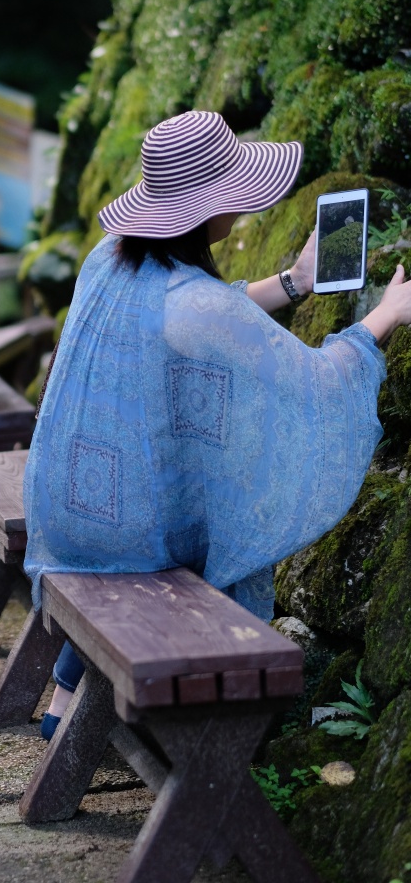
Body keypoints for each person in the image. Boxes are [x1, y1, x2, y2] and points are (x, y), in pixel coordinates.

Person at [25, 109, 411, 740]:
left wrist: (295, 281)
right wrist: (386, 316)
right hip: (124, 536)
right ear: (211, 212)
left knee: (181, 490)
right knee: (224, 512)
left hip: (69, 506)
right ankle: (172, 737)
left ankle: (64, 703)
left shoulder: (111, 257)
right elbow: (314, 381)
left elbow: (205, 312)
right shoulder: (195, 306)